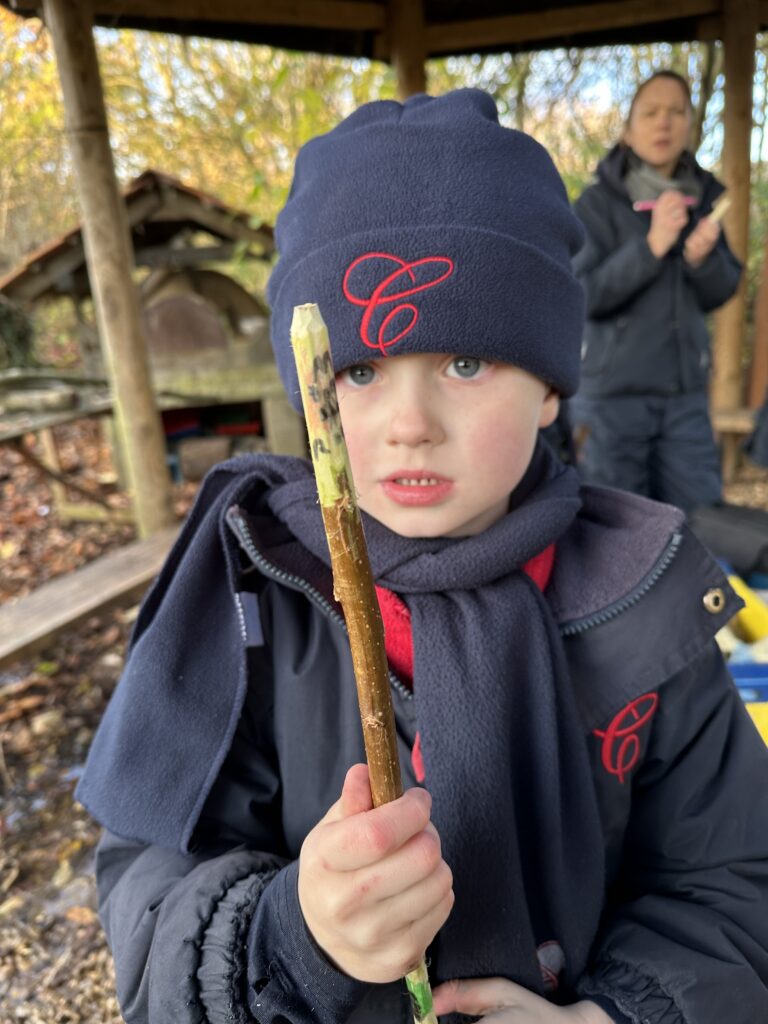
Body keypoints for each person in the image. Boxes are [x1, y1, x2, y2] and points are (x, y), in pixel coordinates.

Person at [75, 89, 768, 1024]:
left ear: (553, 387)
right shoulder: (251, 593)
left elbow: (734, 880)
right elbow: (145, 889)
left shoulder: (643, 597)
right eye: (360, 373)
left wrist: (618, 1015)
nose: (408, 425)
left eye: (466, 363)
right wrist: (291, 938)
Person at [570, 70, 742, 513]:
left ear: (690, 126)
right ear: (628, 131)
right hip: (612, 402)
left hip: (684, 398)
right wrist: (650, 248)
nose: (663, 123)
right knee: (615, 527)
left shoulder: (705, 199)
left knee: (700, 523)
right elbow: (582, 294)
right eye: (650, 112)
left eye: (676, 112)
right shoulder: (596, 204)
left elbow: (723, 290)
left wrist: (703, 261)